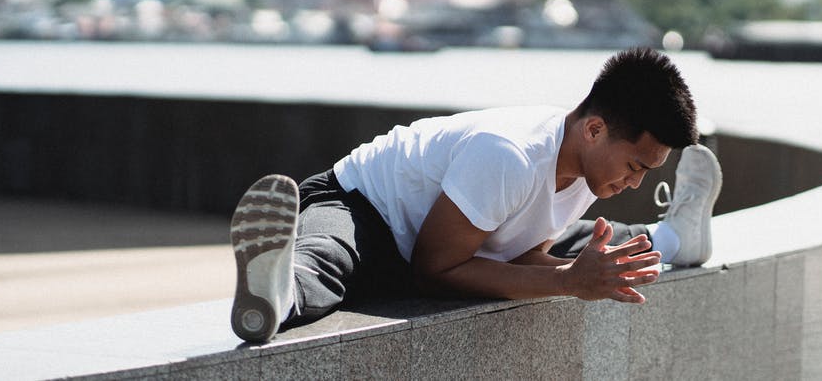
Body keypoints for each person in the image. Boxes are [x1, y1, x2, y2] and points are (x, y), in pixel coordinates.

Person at [228, 47, 723, 343]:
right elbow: (434, 269)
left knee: (597, 248)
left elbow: (523, 251)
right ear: (594, 129)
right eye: (635, 166)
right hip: (361, 205)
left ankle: (676, 237)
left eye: (646, 172)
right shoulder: (510, 156)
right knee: (332, 255)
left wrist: (580, 274)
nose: (635, 182)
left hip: (455, 234)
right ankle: (277, 291)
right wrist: (568, 282)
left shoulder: (586, 165)